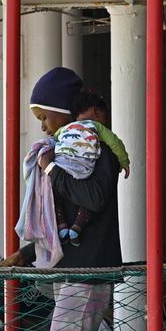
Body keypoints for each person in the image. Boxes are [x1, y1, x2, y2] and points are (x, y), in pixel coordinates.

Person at [4, 66, 123, 331]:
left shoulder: (95, 146)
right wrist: (27, 253)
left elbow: (94, 197)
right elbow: (64, 217)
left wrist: (51, 169)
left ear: (61, 110)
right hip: (73, 270)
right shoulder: (66, 148)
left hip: (86, 272)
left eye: (44, 116)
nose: (42, 125)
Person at [52, 89, 130, 246]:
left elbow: (55, 140)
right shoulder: (95, 126)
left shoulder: (65, 128)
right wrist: (124, 161)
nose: (106, 123)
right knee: (86, 202)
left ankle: (61, 225)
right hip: (82, 169)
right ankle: (77, 228)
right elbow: (115, 142)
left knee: (56, 200)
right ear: (95, 111)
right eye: (105, 117)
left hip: (61, 166)